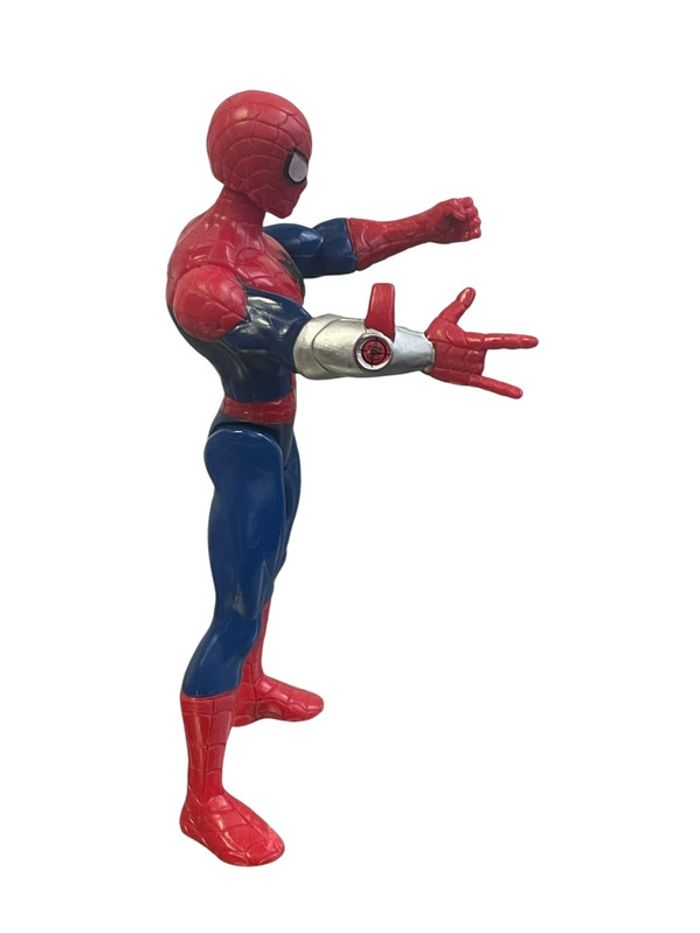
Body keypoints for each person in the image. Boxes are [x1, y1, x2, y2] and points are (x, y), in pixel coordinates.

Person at [166, 89, 537, 865]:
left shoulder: (255, 240)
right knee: (234, 608)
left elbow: (331, 243)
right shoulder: (207, 272)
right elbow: (300, 341)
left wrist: (424, 227)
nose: (302, 177)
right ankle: (202, 799)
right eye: (295, 163)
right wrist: (423, 352)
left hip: (274, 437)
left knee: (269, 569)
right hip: (244, 443)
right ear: (258, 164)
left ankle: (249, 688)